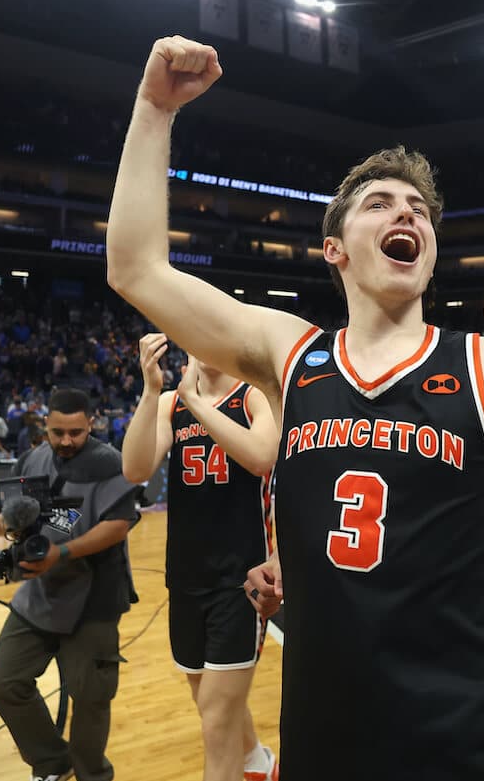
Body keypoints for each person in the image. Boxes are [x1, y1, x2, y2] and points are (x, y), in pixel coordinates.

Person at [105, 35, 484, 781]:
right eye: (381, 203)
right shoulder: (289, 355)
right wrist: (155, 108)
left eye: (420, 209)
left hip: (470, 730)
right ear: (335, 249)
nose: (408, 214)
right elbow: (135, 267)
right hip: (326, 732)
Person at [121, 334, 280, 781]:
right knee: (209, 702)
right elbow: (134, 469)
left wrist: (196, 402)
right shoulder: (173, 402)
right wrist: (152, 392)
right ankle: (258, 763)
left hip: (240, 578)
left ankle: (247, 765)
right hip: (185, 575)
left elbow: (260, 456)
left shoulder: (254, 397)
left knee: (215, 716)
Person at [0, 388, 139, 781]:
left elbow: (118, 525)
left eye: (75, 432)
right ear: (45, 426)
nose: (66, 441)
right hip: (40, 592)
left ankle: (92, 774)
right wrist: (10, 523)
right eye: (57, 432)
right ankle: (53, 763)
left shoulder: (112, 463)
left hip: (95, 597)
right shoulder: (33, 457)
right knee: (4, 682)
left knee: (90, 697)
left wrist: (63, 553)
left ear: (91, 423)